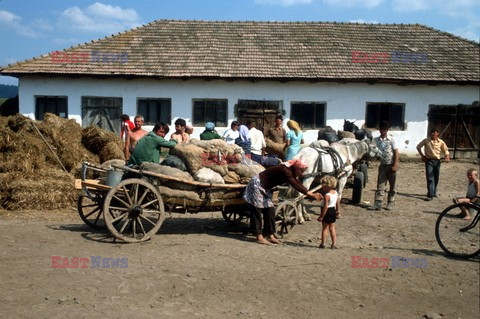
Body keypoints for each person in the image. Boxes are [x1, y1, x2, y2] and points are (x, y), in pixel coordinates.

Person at [243, 158, 323, 245]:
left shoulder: (290, 171)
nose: (302, 173)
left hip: (265, 188)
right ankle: (259, 236)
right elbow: (295, 184)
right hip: (257, 185)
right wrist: (311, 194)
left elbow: (296, 182)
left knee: (270, 209)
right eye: (301, 171)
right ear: (297, 168)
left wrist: (310, 193)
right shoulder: (285, 170)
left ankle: (270, 235)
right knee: (257, 210)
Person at [368, 121, 399, 211]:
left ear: (387, 130)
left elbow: (396, 152)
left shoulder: (391, 139)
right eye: (381, 129)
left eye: (384, 129)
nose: (382, 131)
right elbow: (374, 151)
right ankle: (378, 203)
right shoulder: (376, 140)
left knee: (393, 185)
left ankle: (390, 202)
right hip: (383, 165)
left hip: (391, 164)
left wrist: (395, 165)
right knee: (380, 184)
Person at [416, 128, 450, 200]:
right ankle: (430, 195)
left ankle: (433, 192)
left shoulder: (441, 142)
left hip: (437, 161)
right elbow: (418, 147)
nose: (432, 134)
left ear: (437, 133)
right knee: (430, 177)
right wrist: (422, 156)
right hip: (428, 161)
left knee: (436, 177)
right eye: (431, 132)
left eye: (434, 132)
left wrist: (447, 156)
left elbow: (445, 150)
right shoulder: (426, 140)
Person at [317, 176, 340, 249]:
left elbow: (325, 207)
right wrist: (337, 211)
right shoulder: (335, 193)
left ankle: (323, 243)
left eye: (323, 186)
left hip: (327, 212)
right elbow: (337, 203)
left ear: (327, 186)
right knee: (332, 228)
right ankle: (334, 244)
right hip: (333, 210)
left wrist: (321, 216)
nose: (322, 188)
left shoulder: (327, 195)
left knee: (324, 228)